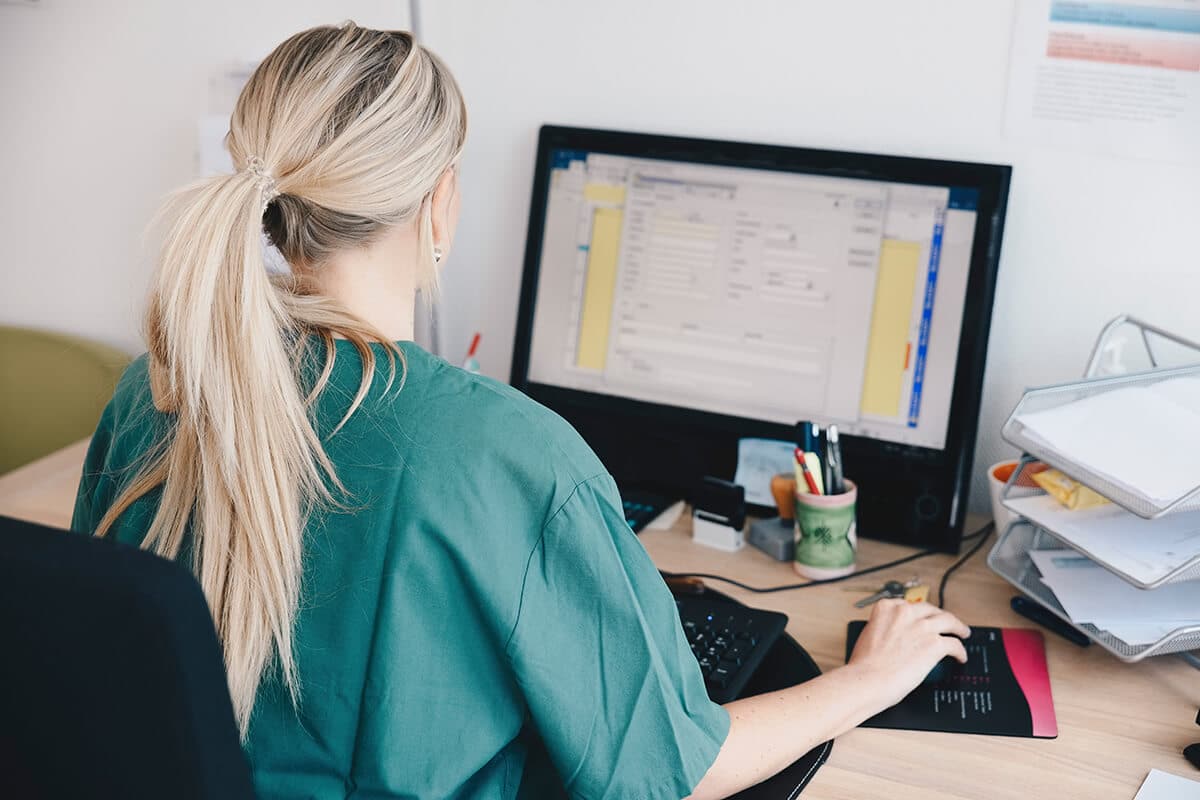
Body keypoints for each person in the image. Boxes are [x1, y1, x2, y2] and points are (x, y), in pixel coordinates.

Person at [72, 23, 970, 800]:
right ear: (441, 204)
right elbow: (671, 773)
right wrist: (871, 678)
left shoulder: (152, 394)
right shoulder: (507, 454)